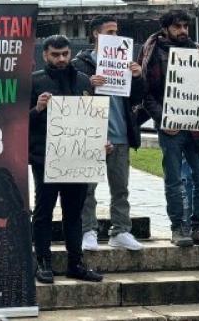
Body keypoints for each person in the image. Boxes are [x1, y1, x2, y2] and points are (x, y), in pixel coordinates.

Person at [140, 9, 199, 248]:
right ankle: (177, 227)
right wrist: (163, 119)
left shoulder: (198, 51)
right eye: (178, 27)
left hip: (198, 130)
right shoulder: (152, 52)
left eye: (186, 26)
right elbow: (145, 93)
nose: (183, 31)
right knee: (174, 179)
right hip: (170, 128)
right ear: (165, 29)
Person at [28, 35, 103, 284]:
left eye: (64, 54)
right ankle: (43, 262)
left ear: (70, 54)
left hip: (77, 157)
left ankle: (76, 262)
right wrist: (37, 109)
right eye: (55, 55)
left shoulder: (83, 81)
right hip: (44, 157)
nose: (61, 59)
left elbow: (90, 119)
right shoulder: (34, 81)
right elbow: (18, 122)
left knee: (74, 212)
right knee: (43, 212)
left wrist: (99, 141)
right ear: (45, 55)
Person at [71, 16, 146, 252]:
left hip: (120, 133)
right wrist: (88, 84)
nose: (115, 36)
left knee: (121, 188)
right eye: (111, 32)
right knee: (87, 188)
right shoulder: (80, 64)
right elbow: (71, 98)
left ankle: (121, 231)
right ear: (96, 34)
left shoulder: (126, 62)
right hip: (92, 135)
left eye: (117, 32)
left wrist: (137, 76)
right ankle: (88, 231)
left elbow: (137, 98)